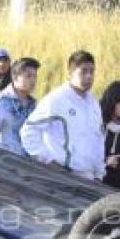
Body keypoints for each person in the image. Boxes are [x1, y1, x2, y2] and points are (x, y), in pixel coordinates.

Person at [20, 50, 105, 182]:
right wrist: (48, 160)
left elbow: (98, 140)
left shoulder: (94, 104)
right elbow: (28, 131)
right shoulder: (56, 100)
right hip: (63, 177)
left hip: (89, 178)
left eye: (92, 71)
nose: (89, 76)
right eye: (83, 71)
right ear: (71, 73)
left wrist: (99, 173)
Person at [0, 57, 41, 155]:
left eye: (35, 76)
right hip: (6, 164)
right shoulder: (1, 101)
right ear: (15, 77)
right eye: (28, 76)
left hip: (30, 165)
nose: (33, 80)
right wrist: (6, 153)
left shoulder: (34, 105)